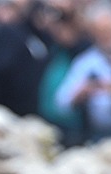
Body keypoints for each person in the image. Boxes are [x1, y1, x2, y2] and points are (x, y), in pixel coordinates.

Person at [55, 3, 111, 141]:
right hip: (101, 135)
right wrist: (82, 91)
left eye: (109, 30)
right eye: (100, 32)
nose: (105, 36)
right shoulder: (86, 62)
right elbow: (61, 102)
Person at [36, 0, 90, 146]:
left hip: (74, 127)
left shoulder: (83, 52)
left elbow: (75, 39)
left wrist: (69, 13)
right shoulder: (54, 49)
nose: (59, 31)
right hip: (49, 122)